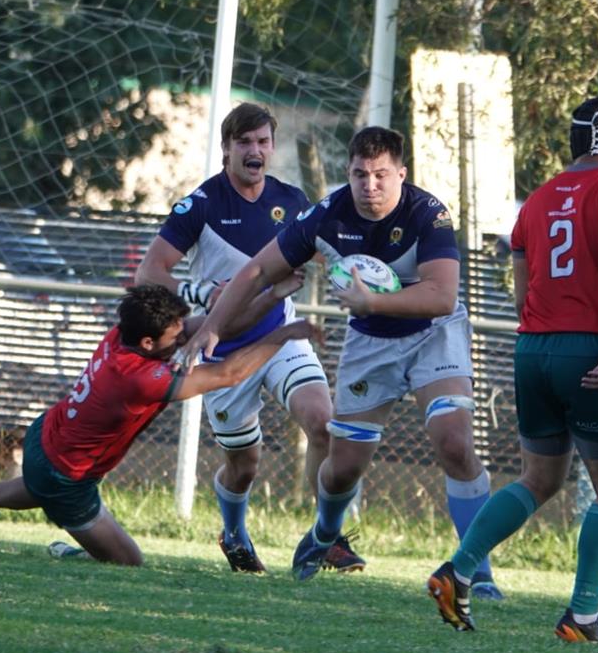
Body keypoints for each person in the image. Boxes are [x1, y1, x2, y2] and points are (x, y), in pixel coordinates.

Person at [181, 126, 503, 598]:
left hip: (435, 334)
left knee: (454, 442)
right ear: (348, 174)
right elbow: (257, 270)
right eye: (359, 175)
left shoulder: (427, 212)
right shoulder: (327, 215)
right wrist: (213, 325)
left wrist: (372, 302)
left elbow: (441, 295)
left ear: (401, 174)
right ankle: (324, 533)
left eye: (380, 175)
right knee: (343, 467)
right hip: (370, 343)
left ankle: (476, 571)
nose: (370, 186)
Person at [427, 96, 598, 642]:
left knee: (540, 477)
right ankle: (583, 616)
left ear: (573, 142)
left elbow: (523, 290)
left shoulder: (538, 201)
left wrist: (546, 333)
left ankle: (459, 569)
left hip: (534, 348)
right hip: (589, 347)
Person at [0, 283, 314, 565]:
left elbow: (209, 325)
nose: (183, 339)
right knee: (128, 561)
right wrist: (284, 335)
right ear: (148, 343)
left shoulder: (125, 334)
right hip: (66, 475)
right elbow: (228, 374)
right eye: (175, 336)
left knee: (38, 488)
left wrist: (270, 297)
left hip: (47, 439)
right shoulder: (137, 377)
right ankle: (79, 553)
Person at [134, 102, 332, 574]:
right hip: (221, 350)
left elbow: (327, 252)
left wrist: (361, 272)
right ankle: (234, 532)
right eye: (244, 142)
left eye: (263, 141)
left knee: (324, 424)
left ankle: (328, 535)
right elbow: (149, 272)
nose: (254, 150)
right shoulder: (202, 204)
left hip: (281, 335)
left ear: (272, 147)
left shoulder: (291, 200)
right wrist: (200, 293)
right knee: (244, 466)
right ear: (226, 148)